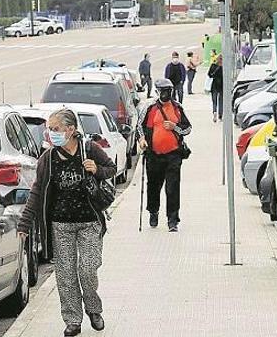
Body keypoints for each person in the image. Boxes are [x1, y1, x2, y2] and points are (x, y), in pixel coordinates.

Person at [18, 109, 116, 337]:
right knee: (65, 274)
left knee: (88, 269)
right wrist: (25, 223)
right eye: (49, 129)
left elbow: (111, 169)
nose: (50, 133)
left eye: (55, 129)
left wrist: (97, 170)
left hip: (89, 222)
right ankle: (72, 320)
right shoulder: (48, 159)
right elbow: (37, 191)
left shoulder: (89, 149)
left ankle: (93, 308)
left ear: (70, 130)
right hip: (60, 225)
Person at [137, 79, 192, 231]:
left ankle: (173, 220)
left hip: (173, 155)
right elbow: (139, 127)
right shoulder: (150, 108)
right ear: (157, 92)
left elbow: (188, 129)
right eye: (162, 91)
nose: (166, 94)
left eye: (168, 91)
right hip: (154, 155)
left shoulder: (177, 108)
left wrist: (175, 127)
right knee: (153, 186)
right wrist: (142, 140)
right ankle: (153, 212)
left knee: (172, 188)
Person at [208, 55, 224, 123]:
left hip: (214, 85)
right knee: (221, 101)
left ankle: (214, 112)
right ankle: (220, 116)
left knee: (214, 101)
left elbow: (209, 75)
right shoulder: (224, 67)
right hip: (222, 85)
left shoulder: (213, 65)